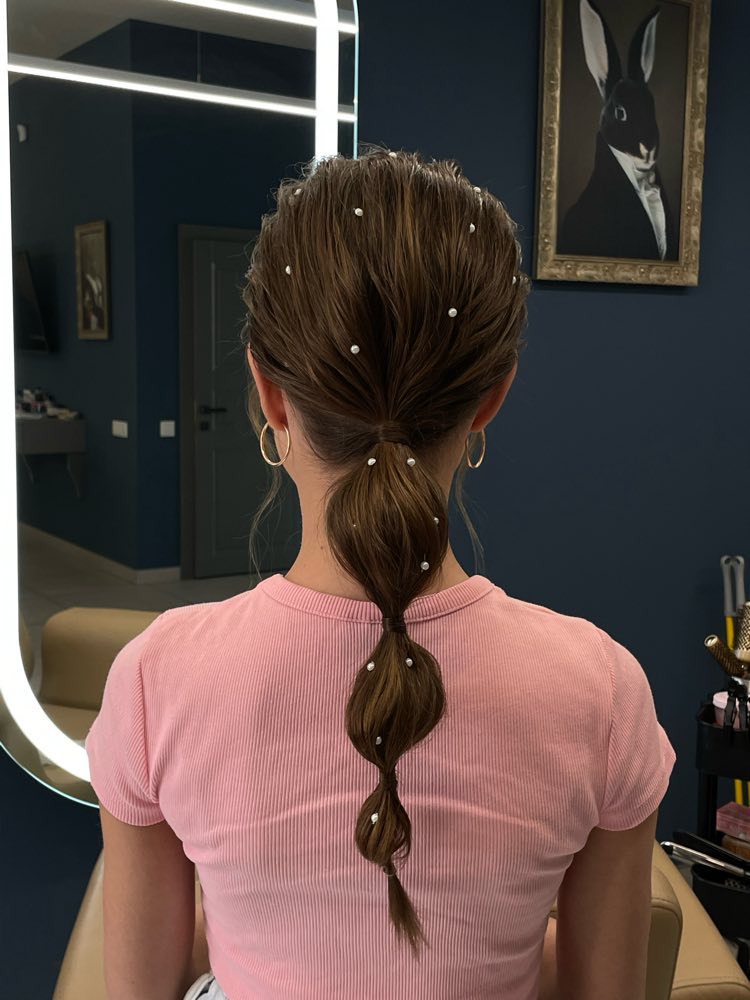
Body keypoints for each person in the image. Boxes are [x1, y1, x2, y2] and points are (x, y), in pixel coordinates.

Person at [86, 149, 676, 1000]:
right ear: (491, 399)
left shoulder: (156, 681)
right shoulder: (603, 692)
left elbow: (138, 985)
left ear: (271, 396)